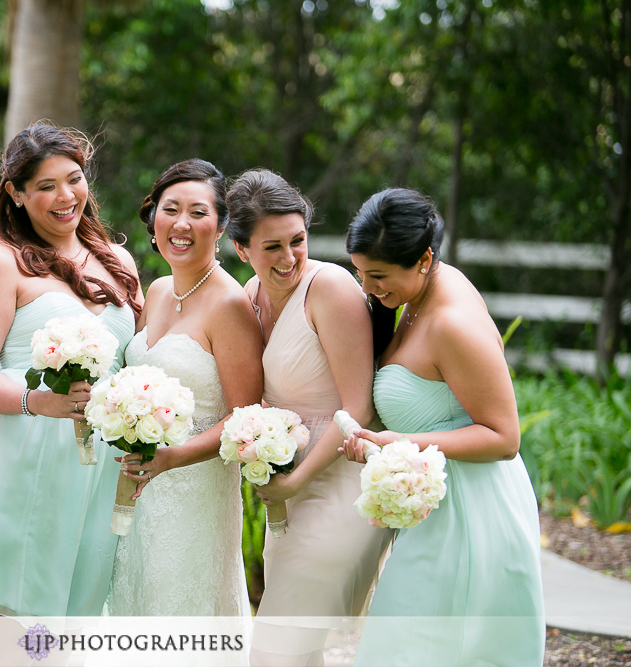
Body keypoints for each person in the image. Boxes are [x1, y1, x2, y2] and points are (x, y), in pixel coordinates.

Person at [0, 123, 141, 660]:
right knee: (21, 619)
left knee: (81, 612)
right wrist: (35, 400)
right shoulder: (2, 264)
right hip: (26, 454)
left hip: (102, 463)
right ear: (16, 193)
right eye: (46, 186)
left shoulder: (118, 262)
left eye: (74, 179)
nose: (66, 197)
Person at [341, 188, 545, 666]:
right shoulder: (419, 293)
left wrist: (402, 442)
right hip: (436, 504)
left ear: (424, 259)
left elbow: (504, 436)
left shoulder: (452, 322)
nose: (368, 289)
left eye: (378, 276)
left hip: (474, 515)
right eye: (360, 273)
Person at [225, 169, 393, 665]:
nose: (289, 257)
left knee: (275, 650)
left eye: (297, 240)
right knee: (300, 650)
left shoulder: (330, 288)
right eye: (271, 246)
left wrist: (297, 480)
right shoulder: (249, 299)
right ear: (241, 249)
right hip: (288, 489)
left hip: (341, 481)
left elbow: (358, 408)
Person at [109, 159, 263, 622]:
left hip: (195, 490)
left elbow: (246, 416)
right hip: (137, 486)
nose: (181, 224)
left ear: (219, 227)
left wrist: (172, 458)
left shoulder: (230, 304)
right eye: (170, 209)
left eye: (198, 213)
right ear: (153, 219)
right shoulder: (155, 291)